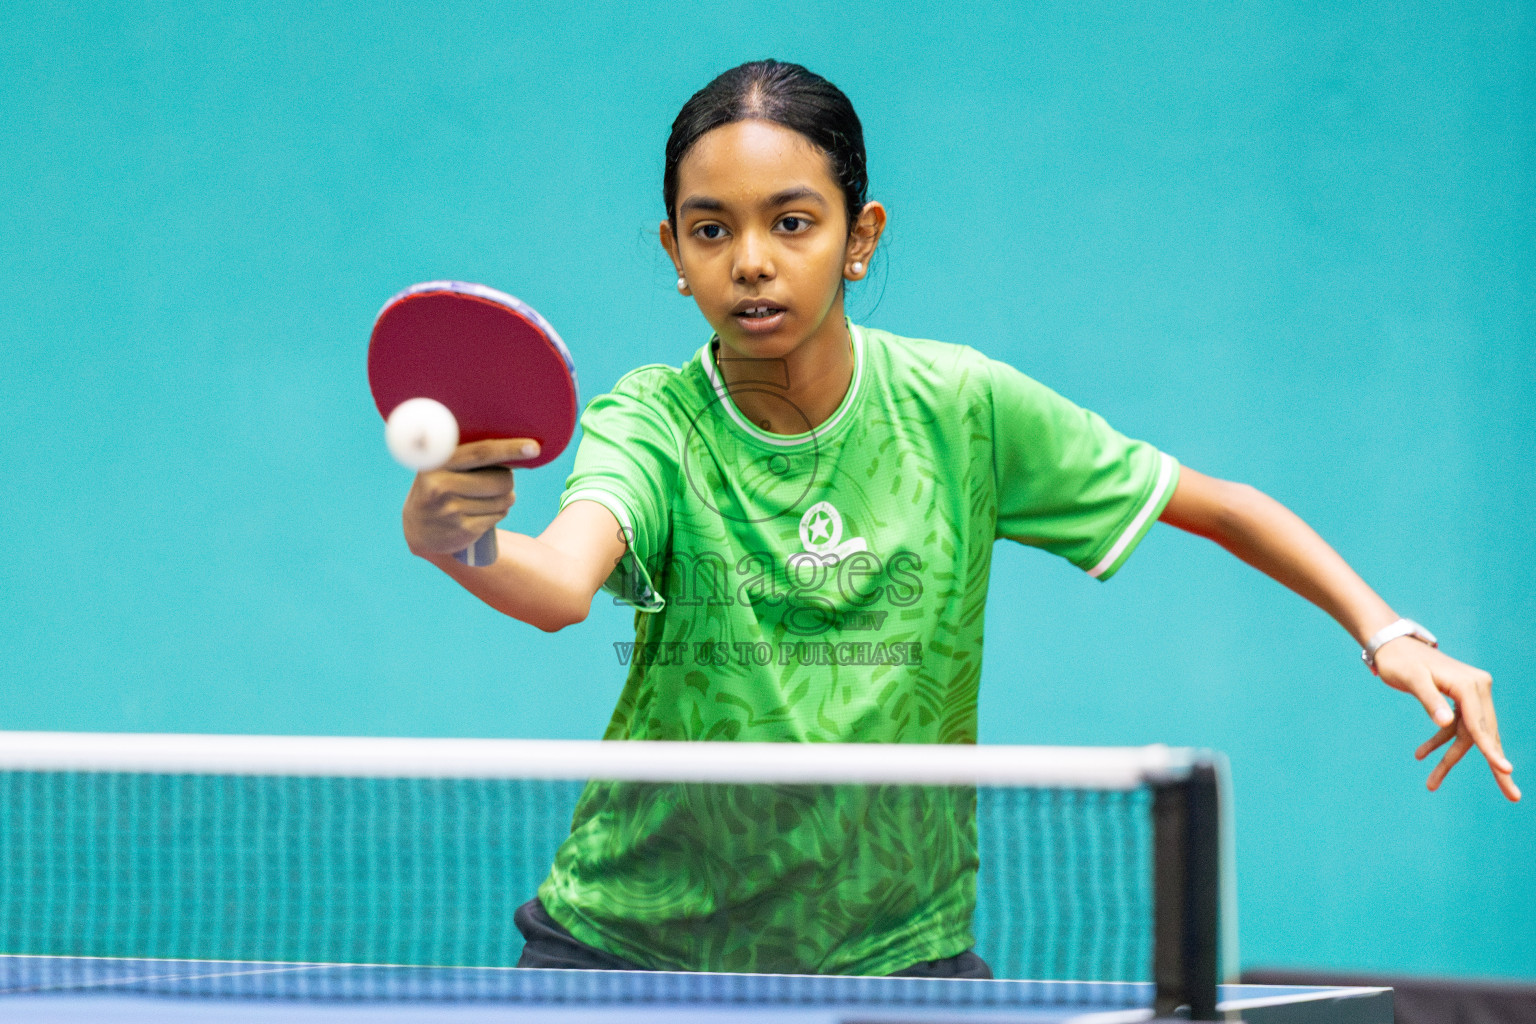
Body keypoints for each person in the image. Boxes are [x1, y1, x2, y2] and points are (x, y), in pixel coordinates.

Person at [399, 60, 1517, 977]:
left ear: (860, 234)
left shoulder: (960, 408)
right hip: (630, 949)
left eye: (792, 222)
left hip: (893, 957)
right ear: (673, 255)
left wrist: (1389, 630)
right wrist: (461, 539)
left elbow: (1218, 506)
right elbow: (556, 586)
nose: (750, 260)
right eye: (709, 230)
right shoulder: (653, 419)